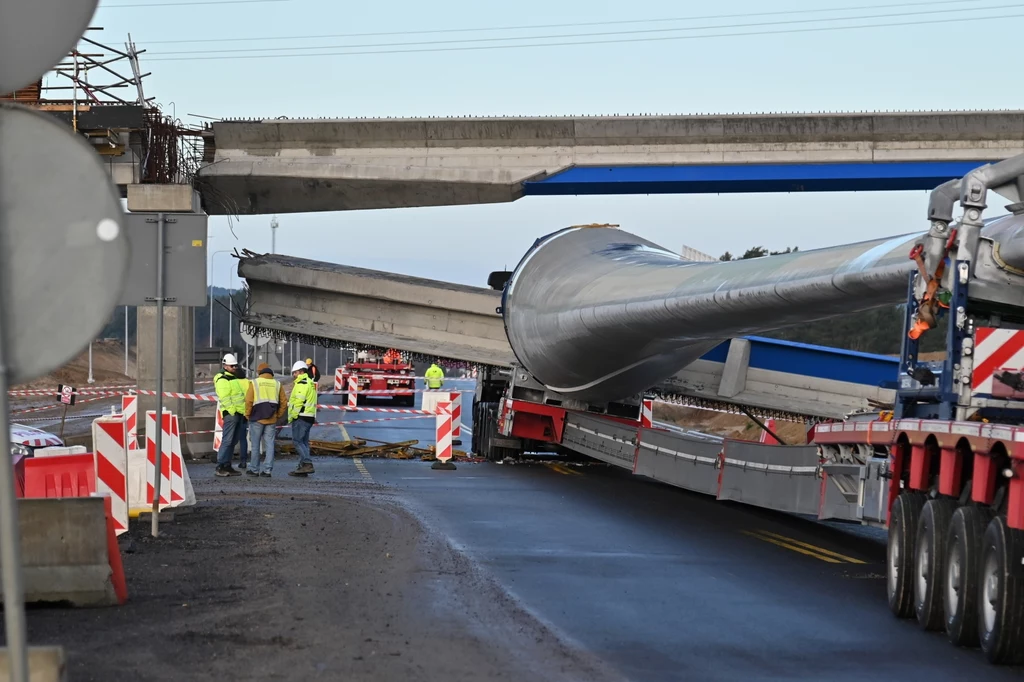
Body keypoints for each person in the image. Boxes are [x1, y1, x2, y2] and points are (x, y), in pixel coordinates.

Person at [244, 362, 286, 477]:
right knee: (270, 444)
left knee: (255, 445)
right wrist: (278, 415)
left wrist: (247, 415)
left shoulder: (255, 383)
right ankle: (267, 470)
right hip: (271, 420)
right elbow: (283, 402)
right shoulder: (277, 384)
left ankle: (254, 469)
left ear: (259, 372)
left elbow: (248, 401)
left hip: (256, 419)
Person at [213, 353, 246, 477]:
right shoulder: (222, 379)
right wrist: (232, 411)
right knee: (227, 440)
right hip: (231, 414)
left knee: (233, 440)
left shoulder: (233, 378)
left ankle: (227, 464)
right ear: (225, 366)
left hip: (238, 413)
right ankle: (220, 465)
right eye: (232, 366)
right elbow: (225, 398)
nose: (235, 368)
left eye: (235, 366)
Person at [287, 360, 317, 476]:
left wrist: (293, 416)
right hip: (309, 416)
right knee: (304, 443)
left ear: (300, 372)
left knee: (297, 441)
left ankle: (307, 463)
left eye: (295, 373)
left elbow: (298, 402)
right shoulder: (309, 382)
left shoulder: (302, 384)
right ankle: (302, 468)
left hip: (301, 417)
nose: (293, 375)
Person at [237, 373, 251, 469]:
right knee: (243, 439)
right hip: (245, 414)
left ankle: (226, 462)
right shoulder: (248, 383)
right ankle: (243, 461)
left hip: (234, 412)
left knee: (229, 439)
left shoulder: (234, 382)